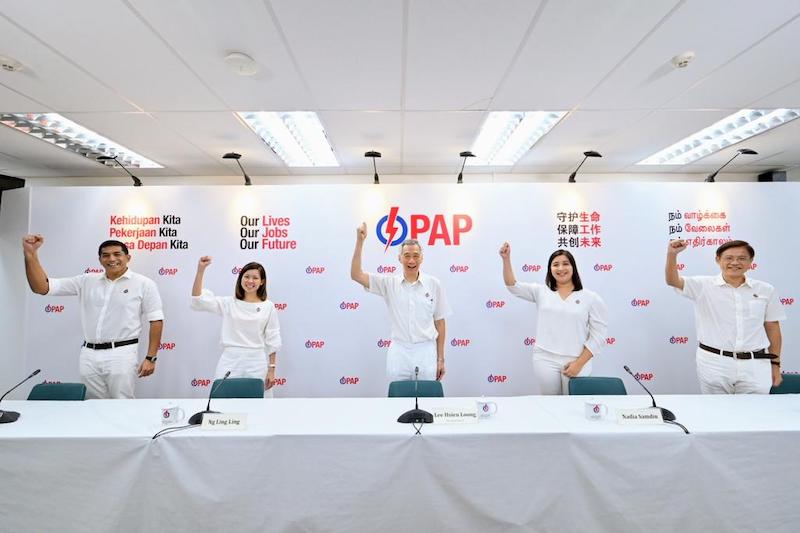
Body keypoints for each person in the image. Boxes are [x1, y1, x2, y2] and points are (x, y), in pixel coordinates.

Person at [22, 235, 164, 399]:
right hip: (89, 354)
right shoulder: (86, 281)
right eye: (106, 255)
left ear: (128, 257)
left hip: (122, 353)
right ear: (100, 260)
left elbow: (156, 321)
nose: (112, 259)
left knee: (122, 405)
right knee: (92, 406)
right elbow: (41, 287)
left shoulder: (144, 284)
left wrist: (150, 358)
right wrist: (30, 254)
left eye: (117, 254)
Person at [665, 239, 784, 393]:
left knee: (755, 413)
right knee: (717, 413)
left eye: (741, 258)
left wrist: (775, 365)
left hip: (755, 365)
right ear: (718, 260)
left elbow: (773, 328)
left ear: (750, 262)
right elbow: (672, 280)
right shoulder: (703, 285)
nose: (735, 262)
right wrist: (672, 254)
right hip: (715, 363)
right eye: (729, 258)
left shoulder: (766, 290)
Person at [500, 243, 607, 395]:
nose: (560, 268)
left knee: (574, 406)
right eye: (555, 264)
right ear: (550, 269)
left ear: (573, 268)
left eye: (565, 264)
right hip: (545, 359)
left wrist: (579, 364)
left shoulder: (591, 298)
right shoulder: (541, 292)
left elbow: (599, 336)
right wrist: (506, 259)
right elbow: (512, 286)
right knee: (550, 405)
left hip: (577, 360)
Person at [351, 223, 451, 382]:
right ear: (399, 258)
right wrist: (360, 241)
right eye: (407, 255)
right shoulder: (389, 283)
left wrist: (440, 359)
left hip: (426, 351)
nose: (411, 260)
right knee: (397, 402)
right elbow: (356, 275)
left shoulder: (434, 284)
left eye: (416, 255)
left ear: (422, 258)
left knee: (427, 401)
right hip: (399, 352)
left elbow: (440, 323)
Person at [191, 256, 281, 394]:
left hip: (256, 363)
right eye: (246, 276)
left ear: (262, 282)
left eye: (255, 278)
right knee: (222, 403)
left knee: (258, 406)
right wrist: (200, 270)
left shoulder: (268, 307)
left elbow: (273, 339)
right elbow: (198, 300)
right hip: (230, 361)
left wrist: (272, 369)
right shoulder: (229, 303)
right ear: (241, 279)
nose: (250, 281)